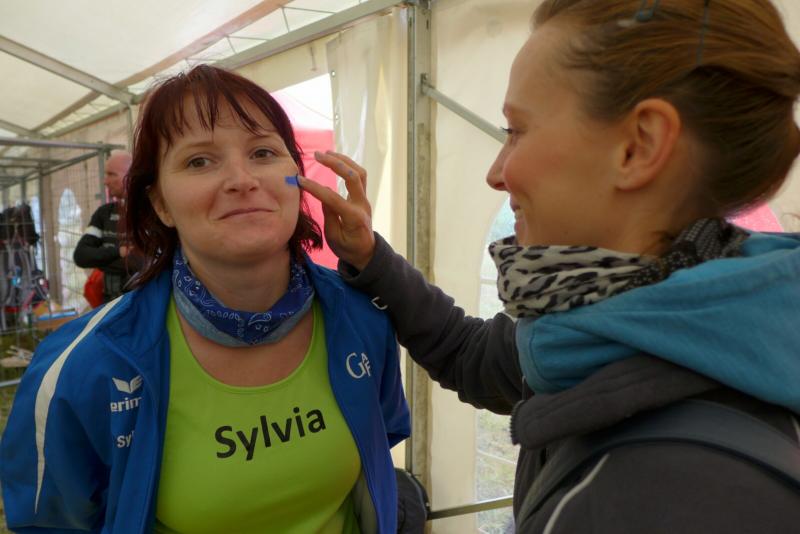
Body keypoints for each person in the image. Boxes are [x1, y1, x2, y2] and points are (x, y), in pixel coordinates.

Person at [302, 0, 800, 532]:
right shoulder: (636, 319)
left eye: (516, 130)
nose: (497, 172)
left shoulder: (664, 496)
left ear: (639, 146)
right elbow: (471, 354)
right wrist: (369, 257)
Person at [1, 65, 410, 533]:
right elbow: (52, 522)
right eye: (199, 161)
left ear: (298, 176)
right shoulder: (81, 367)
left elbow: (381, 440)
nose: (241, 179)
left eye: (262, 152)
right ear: (159, 203)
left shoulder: (362, 316)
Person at [73, 150, 141, 303]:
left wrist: (101, 260)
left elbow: (144, 263)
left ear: (131, 176)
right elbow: (81, 256)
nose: (105, 181)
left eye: (111, 174)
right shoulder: (104, 213)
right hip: (109, 305)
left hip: (142, 304)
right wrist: (119, 252)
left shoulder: (151, 212)